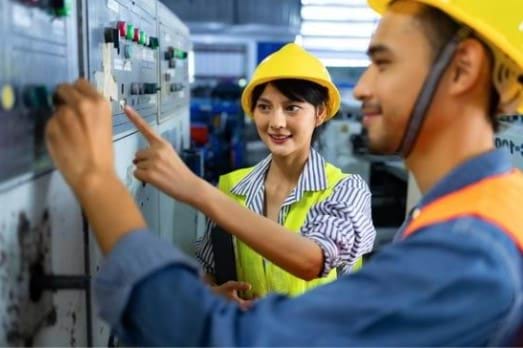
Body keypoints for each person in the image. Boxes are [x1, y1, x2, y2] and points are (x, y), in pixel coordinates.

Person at [45, 0, 523, 345]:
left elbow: (224, 335)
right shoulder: (469, 214)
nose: (364, 89)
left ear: (461, 70)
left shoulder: (468, 250)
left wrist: (96, 182)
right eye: (266, 107)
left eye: (383, 63)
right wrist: (215, 292)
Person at [126, 43, 375, 305]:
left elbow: (312, 261)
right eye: (265, 107)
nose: (276, 122)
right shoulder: (233, 187)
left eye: (292, 108)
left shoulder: (346, 190)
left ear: (320, 113)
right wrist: (213, 294)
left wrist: (195, 189)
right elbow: (210, 269)